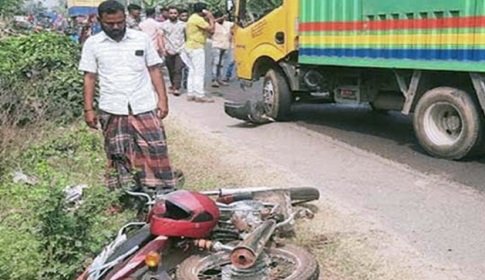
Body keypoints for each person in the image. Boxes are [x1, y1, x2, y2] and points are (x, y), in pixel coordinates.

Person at [79, 0, 176, 190]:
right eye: (110, 23)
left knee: (155, 148)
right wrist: (88, 109)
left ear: (125, 18)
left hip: (144, 105)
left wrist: (163, 100)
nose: (116, 27)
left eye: (120, 22)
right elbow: (89, 77)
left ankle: (160, 191)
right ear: (100, 21)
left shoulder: (141, 39)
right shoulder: (93, 44)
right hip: (112, 106)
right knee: (117, 153)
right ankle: (123, 194)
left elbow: (154, 70)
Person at [185, 2, 215, 103]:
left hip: (190, 46)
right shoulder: (198, 19)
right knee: (199, 72)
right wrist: (211, 18)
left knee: (192, 71)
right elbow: (211, 29)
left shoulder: (192, 18)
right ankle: (199, 95)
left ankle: (191, 93)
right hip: (196, 47)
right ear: (203, 11)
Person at [160, 6, 186, 96]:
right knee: (171, 70)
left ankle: (176, 88)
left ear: (178, 14)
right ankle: (173, 85)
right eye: (171, 13)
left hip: (180, 50)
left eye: (175, 13)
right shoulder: (163, 25)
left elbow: (187, 37)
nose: (173, 15)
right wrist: (163, 49)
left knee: (178, 69)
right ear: (168, 14)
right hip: (168, 51)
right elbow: (160, 37)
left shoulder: (183, 25)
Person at [210, 12, 233, 87]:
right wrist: (221, 18)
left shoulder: (228, 24)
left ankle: (219, 79)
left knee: (221, 64)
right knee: (215, 63)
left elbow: (236, 25)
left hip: (225, 46)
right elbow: (212, 22)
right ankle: (214, 79)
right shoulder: (214, 24)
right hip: (216, 46)